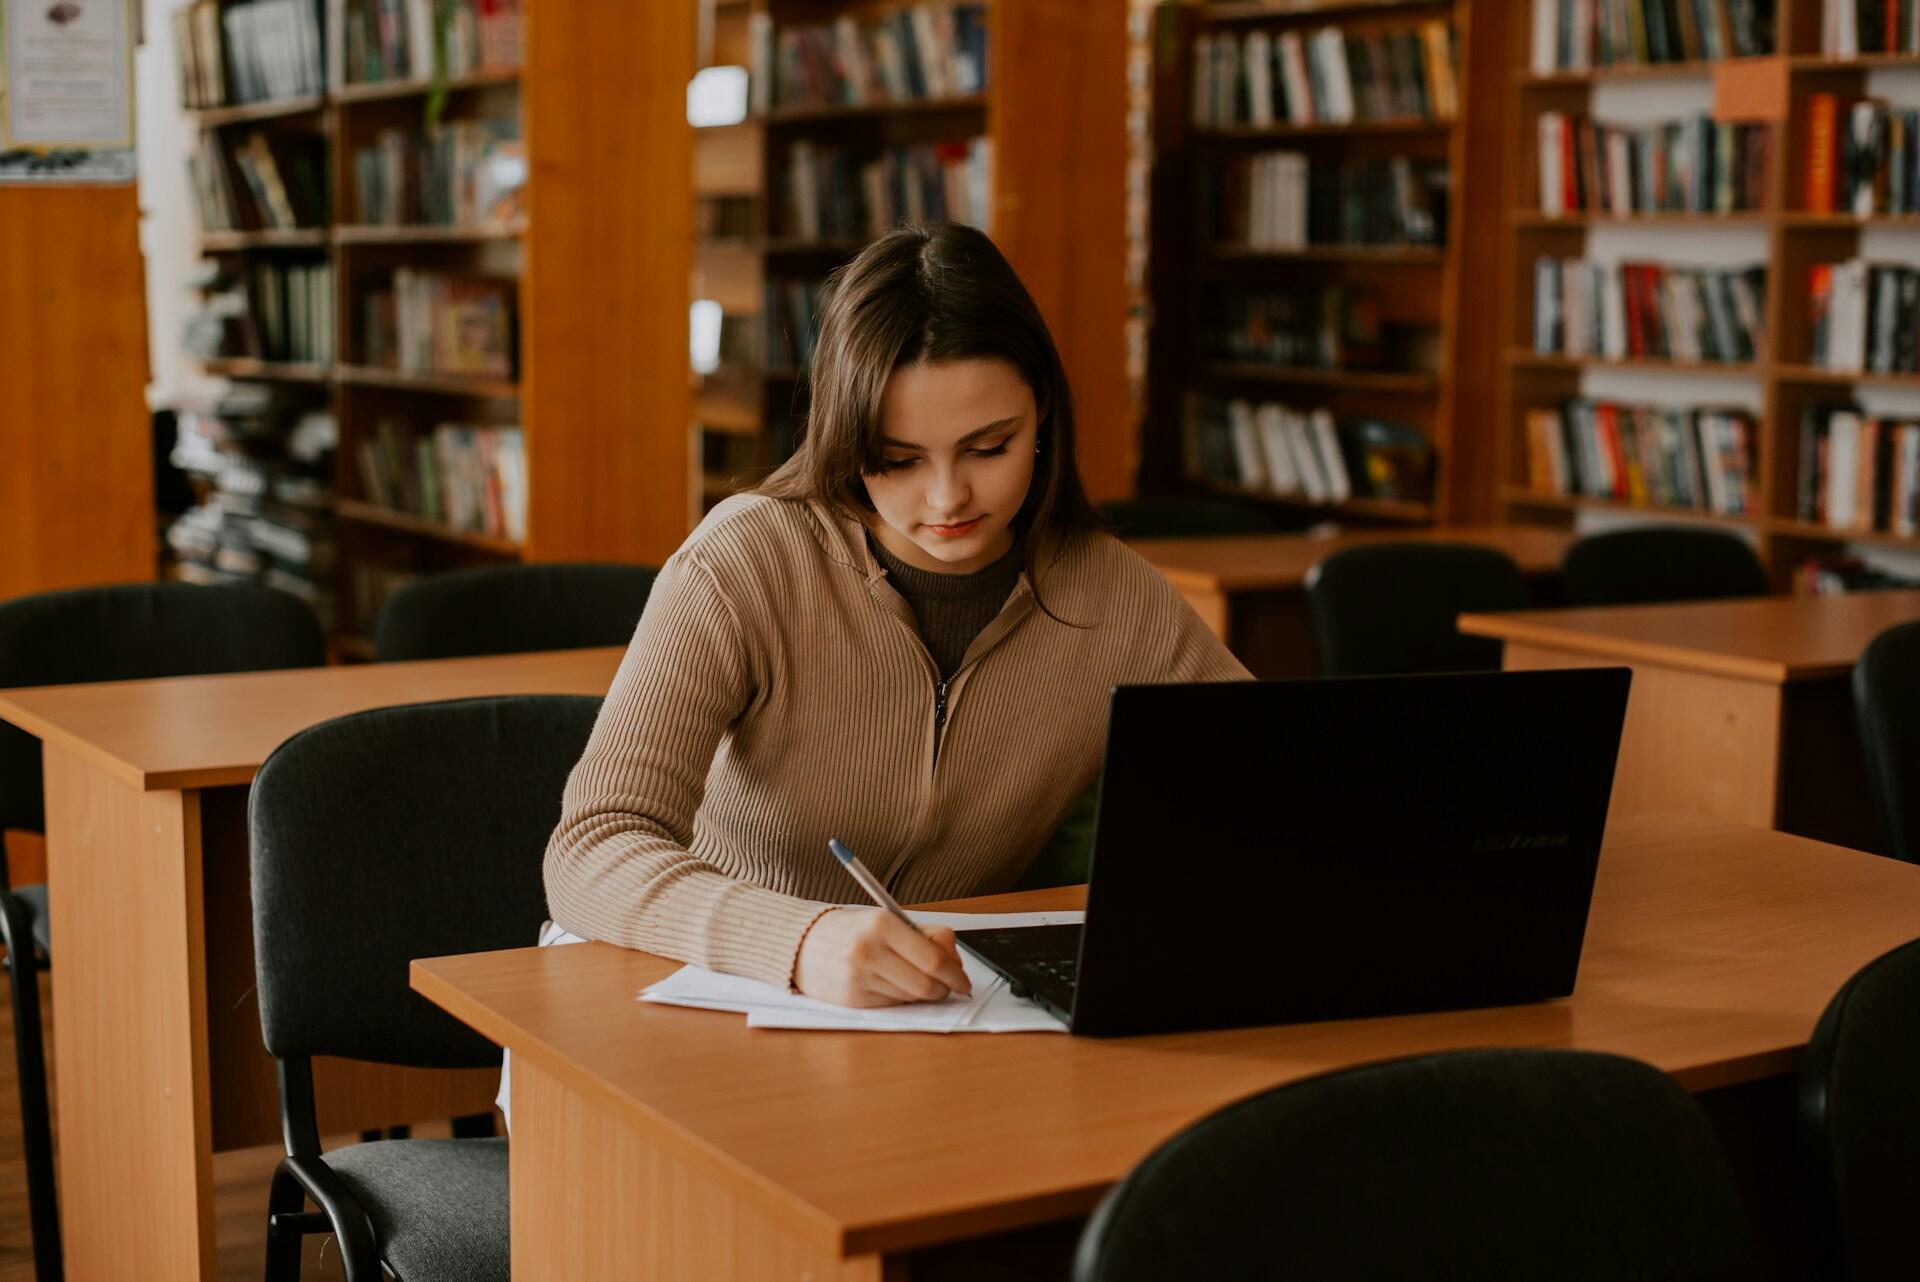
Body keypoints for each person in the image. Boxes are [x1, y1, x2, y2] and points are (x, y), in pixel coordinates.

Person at [543, 221, 1249, 1009]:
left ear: (1042, 415)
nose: (948, 499)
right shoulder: (743, 562)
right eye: (900, 459)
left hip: (934, 1009)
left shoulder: (1112, 595)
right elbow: (592, 850)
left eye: (990, 447)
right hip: (692, 981)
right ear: (845, 437)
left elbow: (1277, 783)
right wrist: (800, 940)